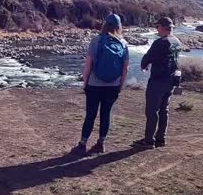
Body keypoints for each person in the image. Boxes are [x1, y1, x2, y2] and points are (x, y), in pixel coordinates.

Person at [71, 14, 129, 155]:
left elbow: (88, 65)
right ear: (119, 27)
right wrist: (120, 85)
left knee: (90, 114)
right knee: (106, 114)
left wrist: (85, 83)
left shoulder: (96, 41)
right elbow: (125, 68)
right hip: (113, 86)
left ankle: (82, 144)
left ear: (104, 25)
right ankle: (101, 144)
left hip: (94, 85)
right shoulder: (123, 43)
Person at [132, 17, 182, 149]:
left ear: (163, 27)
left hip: (158, 81)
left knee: (152, 111)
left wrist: (144, 65)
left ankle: (149, 141)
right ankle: (160, 139)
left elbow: (148, 57)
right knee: (164, 110)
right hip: (170, 80)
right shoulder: (177, 41)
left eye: (157, 27)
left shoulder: (160, 42)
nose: (156, 30)